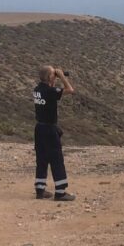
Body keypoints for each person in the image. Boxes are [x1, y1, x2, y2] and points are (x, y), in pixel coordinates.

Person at [33, 65, 75, 201]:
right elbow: (70, 90)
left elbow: (48, 89)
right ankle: (60, 192)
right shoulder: (50, 91)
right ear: (50, 77)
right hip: (49, 129)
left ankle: (40, 189)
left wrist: (52, 78)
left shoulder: (37, 90)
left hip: (39, 128)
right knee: (56, 159)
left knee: (42, 159)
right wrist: (62, 76)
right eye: (53, 75)